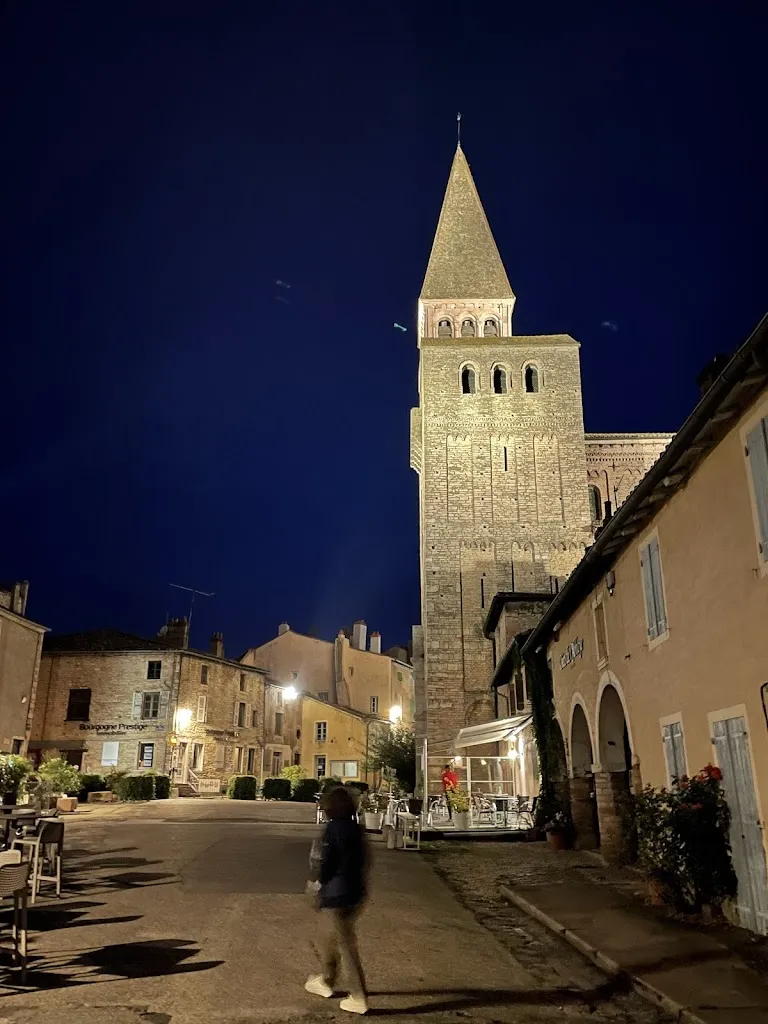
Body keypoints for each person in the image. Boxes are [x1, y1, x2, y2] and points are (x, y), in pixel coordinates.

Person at [305, 785, 369, 1015]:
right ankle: (326, 980)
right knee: (327, 937)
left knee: (344, 944)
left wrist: (316, 883)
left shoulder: (332, 831)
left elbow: (324, 862)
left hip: (336, 893)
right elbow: (364, 861)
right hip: (354, 892)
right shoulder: (357, 830)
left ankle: (358, 996)